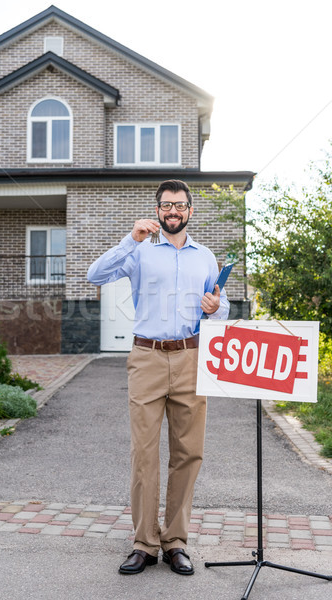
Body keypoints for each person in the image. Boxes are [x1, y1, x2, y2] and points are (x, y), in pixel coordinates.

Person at [87, 179, 230, 576]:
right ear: (157, 209)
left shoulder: (205, 256)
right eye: (166, 205)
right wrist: (129, 240)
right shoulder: (140, 252)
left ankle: (176, 542)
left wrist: (216, 306)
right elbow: (94, 276)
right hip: (147, 358)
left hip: (191, 356)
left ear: (190, 211)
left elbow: (219, 307)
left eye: (180, 205)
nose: (172, 211)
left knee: (188, 454)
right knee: (144, 455)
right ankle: (145, 544)